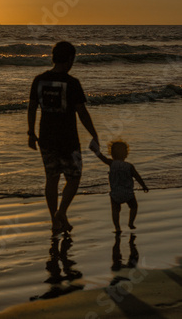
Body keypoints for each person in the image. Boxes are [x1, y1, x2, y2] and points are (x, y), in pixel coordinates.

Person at [28, 41, 99, 233]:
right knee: (74, 177)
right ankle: (62, 212)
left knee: (52, 178)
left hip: (46, 137)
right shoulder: (72, 83)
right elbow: (81, 112)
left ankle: (55, 220)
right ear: (69, 59)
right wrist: (94, 134)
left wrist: (31, 133)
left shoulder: (39, 80)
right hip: (68, 139)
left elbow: (32, 107)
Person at [89, 139, 149, 233]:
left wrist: (95, 150)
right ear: (126, 154)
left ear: (112, 154)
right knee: (133, 207)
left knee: (115, 211)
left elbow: (101, 157)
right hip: (128, 193)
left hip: (115, 194)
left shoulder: (111, 163)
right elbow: (137, 177)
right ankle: (131, 223)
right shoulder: (129, 166)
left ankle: (117, 227)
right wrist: (144, 186)